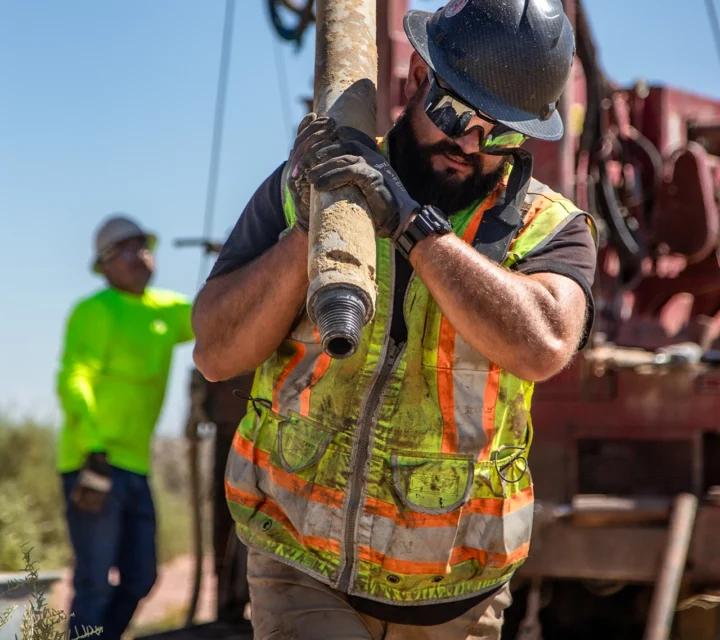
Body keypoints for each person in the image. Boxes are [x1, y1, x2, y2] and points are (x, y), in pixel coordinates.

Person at [192, 0, 597, 637]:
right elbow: (215, 351)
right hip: (301, 564)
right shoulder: (312, 186)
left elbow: (545, 344)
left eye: (503, 132)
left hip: (459, 596)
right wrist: (317, 225)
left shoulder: (552, 231)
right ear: (415, 79)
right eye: (456, 113)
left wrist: (412, 225)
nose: (471, 144)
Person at [57, 215, 194, 639]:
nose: (141, 256)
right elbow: (74, 379)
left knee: (141, 577)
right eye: (127, 249)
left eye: (144, 246)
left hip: (136, 467)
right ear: (104, 264)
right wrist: (94, 449)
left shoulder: (168, 311)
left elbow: (217, 315)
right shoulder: (95, 311)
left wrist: (237, 258)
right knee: (94, 581)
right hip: (93, 462)